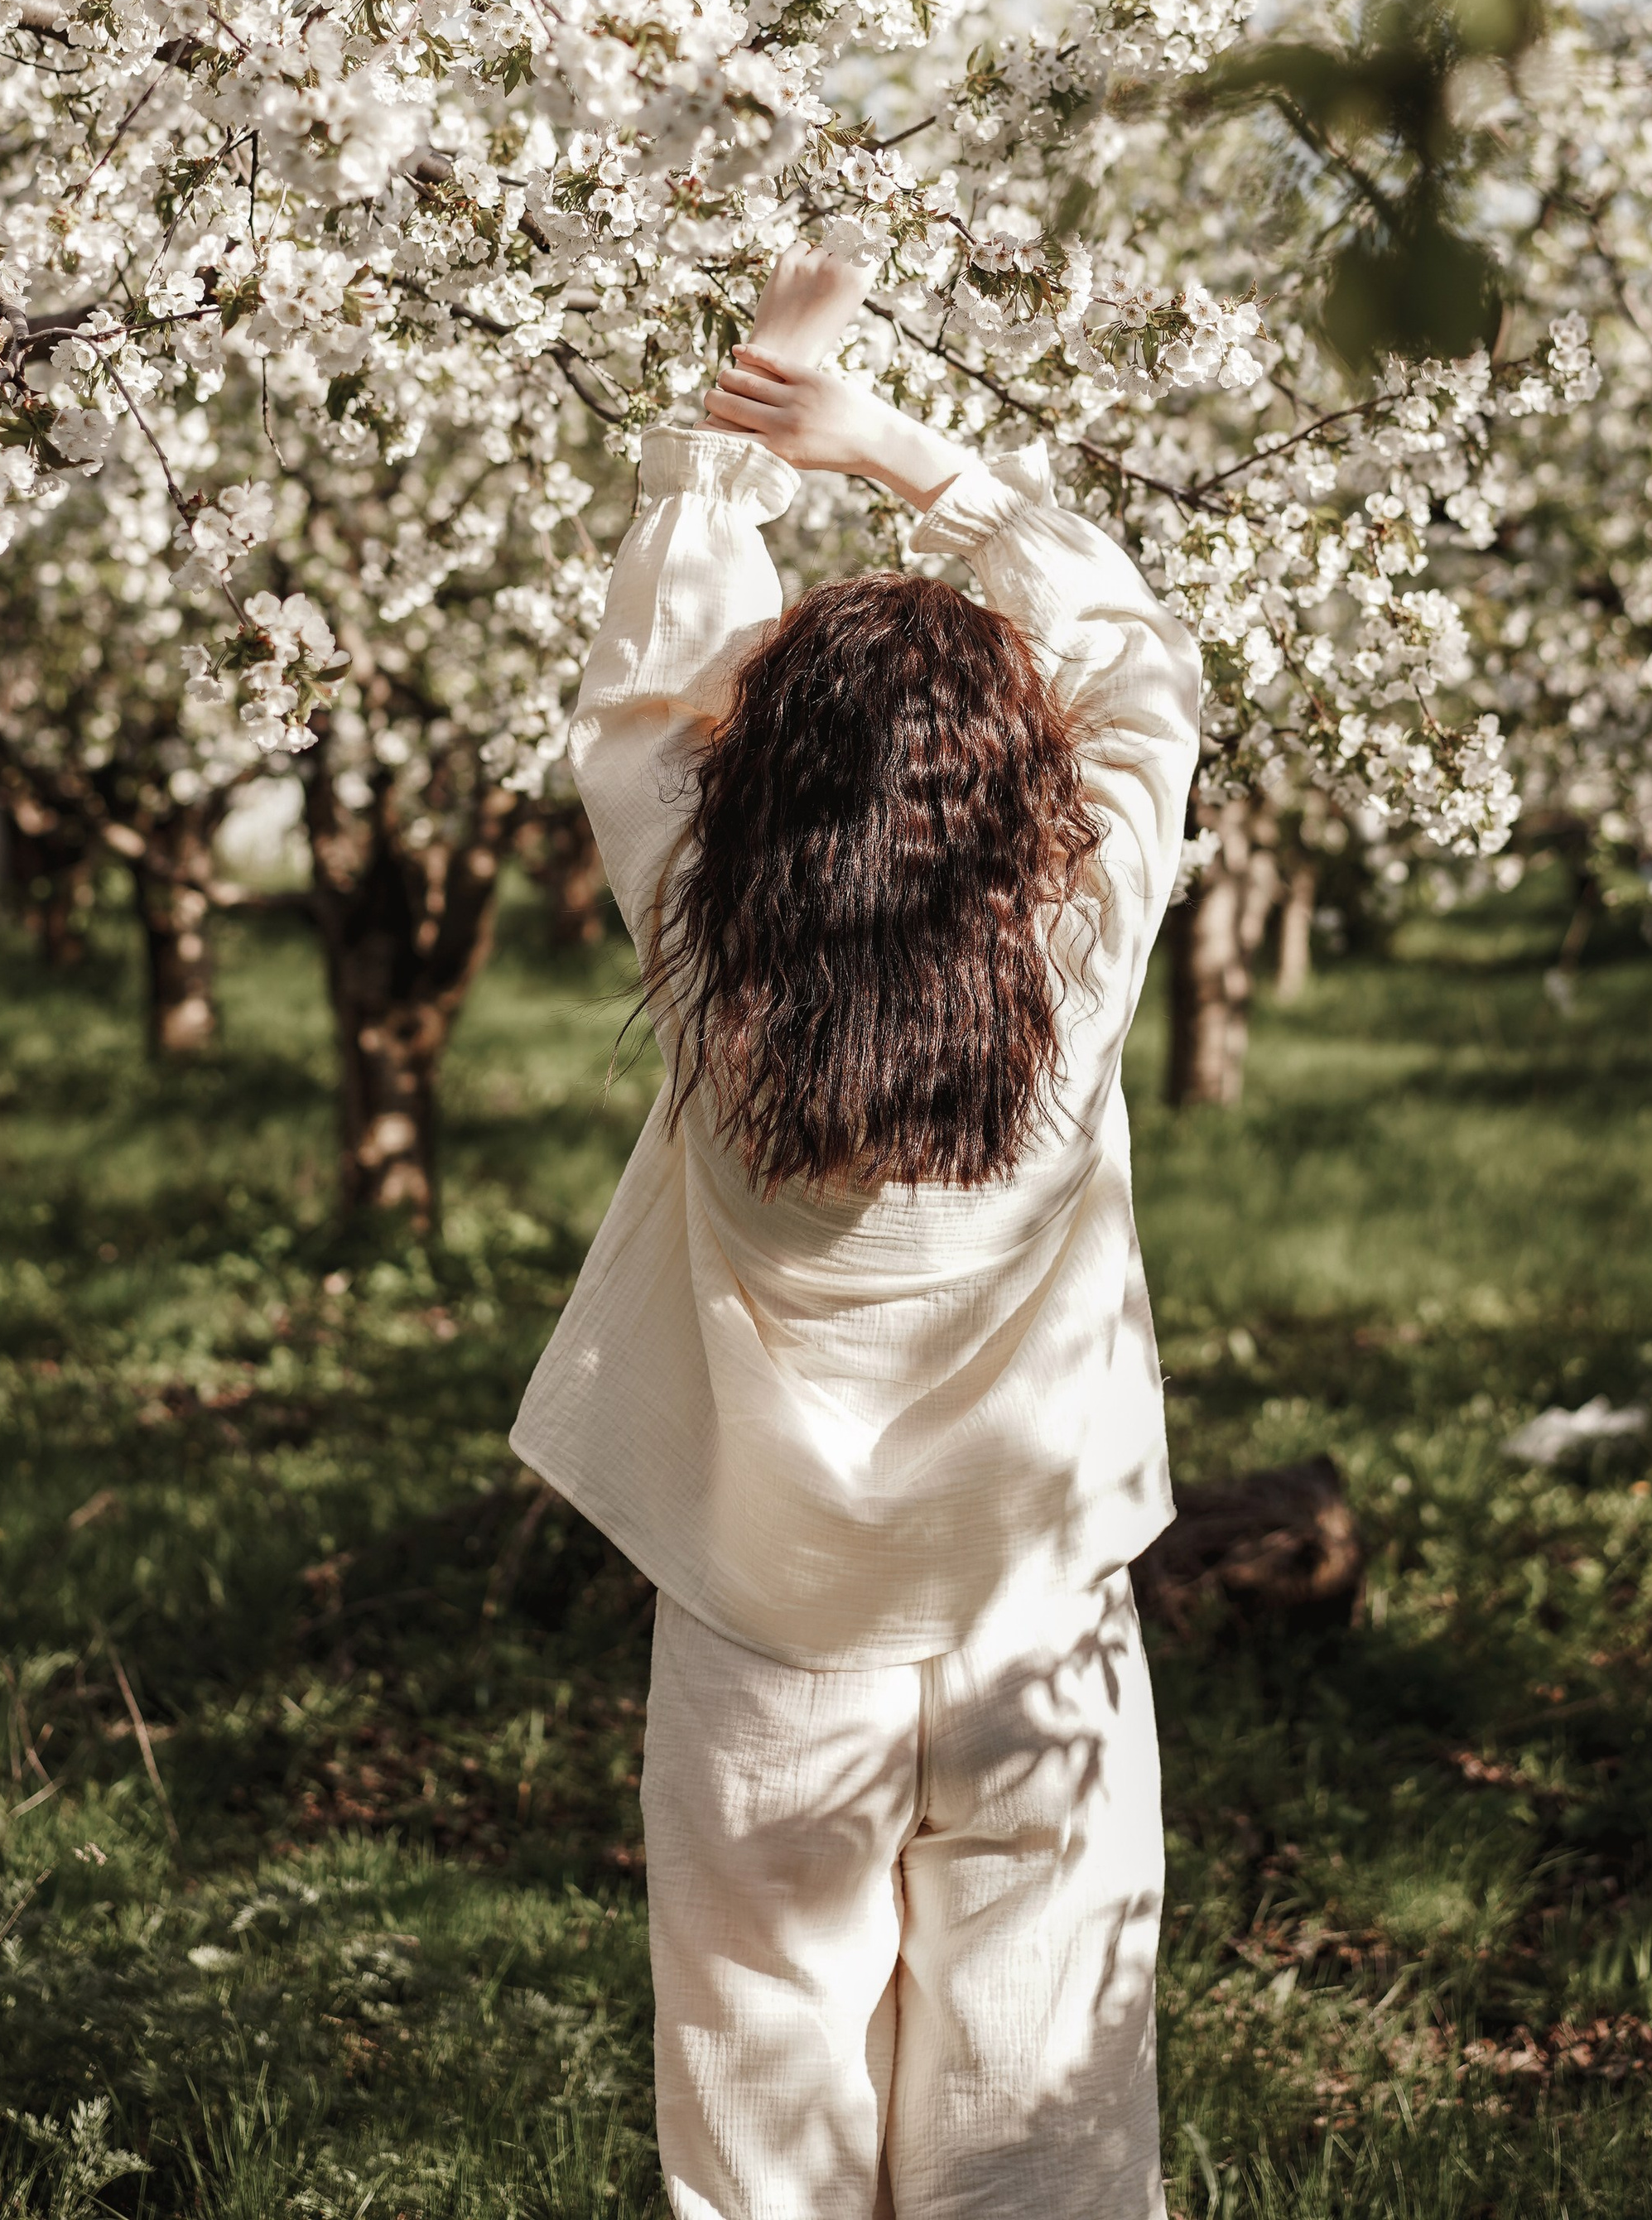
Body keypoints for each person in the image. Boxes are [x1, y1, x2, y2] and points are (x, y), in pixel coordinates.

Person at [509, 240, 1202, 2220]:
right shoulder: (1077, 953)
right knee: (1044, 2107)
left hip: (762, 1620)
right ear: (1030, 800)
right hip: (1031, 1619)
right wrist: (900, 452)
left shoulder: (702, 947)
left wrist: (726, 448)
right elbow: (1142, 666)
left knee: (757, 2075)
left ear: (758, 795)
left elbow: (641, 696)